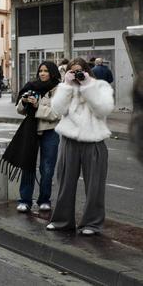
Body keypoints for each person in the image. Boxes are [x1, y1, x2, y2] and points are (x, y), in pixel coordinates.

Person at [47, 58, 114, 235]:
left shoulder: (100, 86)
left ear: (87, 71)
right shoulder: (66, 88)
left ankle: (92, 224)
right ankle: (61, 221)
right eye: (73, 71)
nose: (77, 74)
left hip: (94, 141)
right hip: (69, 140)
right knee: (64, 183)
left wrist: (87, 86)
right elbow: (57, 110)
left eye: (80, 71)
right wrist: (66, 86)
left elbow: (103, 110)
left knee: (95, 186)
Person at [9, 62, 61, 214]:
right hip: (31, 130)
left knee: (47, 167)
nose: (42, 74)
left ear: (52, 73)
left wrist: (38, 106)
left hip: (50, 131)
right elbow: (20, 110)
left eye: (46, 71)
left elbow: (57, 114)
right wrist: (24, 101)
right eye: (40, 71)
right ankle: (25, 200)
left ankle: (44, 199)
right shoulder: (31, 86)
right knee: (28, 164)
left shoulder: (59, 89)